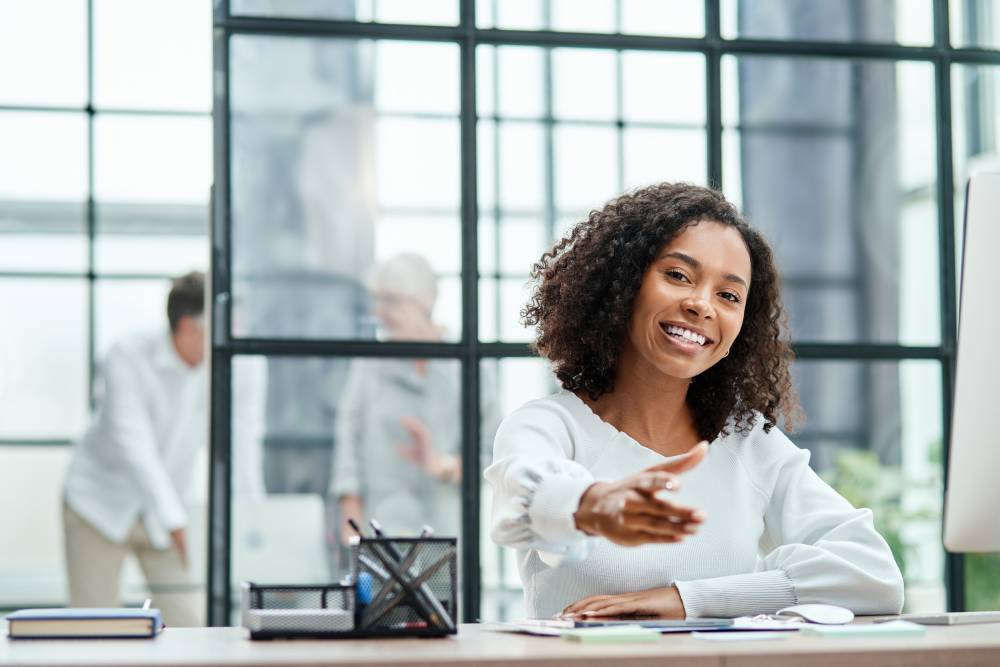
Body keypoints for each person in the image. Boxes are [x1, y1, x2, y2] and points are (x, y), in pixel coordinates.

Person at [484, 183, 904, 620]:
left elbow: (873, 573)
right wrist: (591, 504)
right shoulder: (548, 426)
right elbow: (525, 496)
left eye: (728, 295)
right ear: (622, 284)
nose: (702, 305)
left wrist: (689, 601)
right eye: (678, 276)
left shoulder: (748, 444)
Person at [62, 272, 264, 626]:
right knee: (92, 625)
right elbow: (137, 448)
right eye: (225, 324)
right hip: (98, 505)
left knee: (189, 622)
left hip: (169, 509)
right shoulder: (126, 357)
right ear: (188, 327)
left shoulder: (241, 365)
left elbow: (242, 444)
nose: (234, 334)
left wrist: (253, 519)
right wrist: (176, 522)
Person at [332, 253, 464, 543]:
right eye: (377, 302)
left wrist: (443, 465)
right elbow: (348, 445)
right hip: (381, 528)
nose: (380, 313)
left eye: (391, 301)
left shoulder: (465, 365)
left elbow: (493, 453)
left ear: (426, 301)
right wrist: (351, 526)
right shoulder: (369, 365)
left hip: (447, 530)